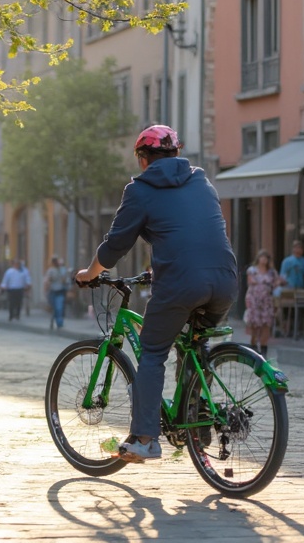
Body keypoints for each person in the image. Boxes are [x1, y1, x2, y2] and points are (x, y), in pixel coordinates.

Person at [74, 125, 237, 463]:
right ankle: (196, 418)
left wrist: (89, 274)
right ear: (177, 154)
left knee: (152, 350)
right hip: (225, 280)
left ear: (143, 159)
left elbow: (115, 246)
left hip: (181, 282)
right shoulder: (201, 181)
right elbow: (187, 231)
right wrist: (155, 269)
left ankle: (146, 439)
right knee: (196, 342)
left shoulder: (140, 190)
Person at [244, 249, 282, 355]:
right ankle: (253, 348)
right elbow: (251, 281)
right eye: (262, 257)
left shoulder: (272, 272)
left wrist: (275, 284)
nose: (264, 260)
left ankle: (264, 351)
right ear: (258, 258)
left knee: (266, 324)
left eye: (266, 258)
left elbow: (277, 281)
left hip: (267, 302)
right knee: (255, 325)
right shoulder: (252, 270)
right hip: (254, 300)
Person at [44, 255, 69, 329]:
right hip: (52, 291)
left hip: (60, 291)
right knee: (54, 308)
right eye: (54, 261)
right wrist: (46, 289)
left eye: (56, 261)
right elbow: (47, 280)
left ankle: (59, 323)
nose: (55, 263)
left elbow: (66, 280)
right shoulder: (51, 270)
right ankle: (53, 320)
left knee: (59, 308)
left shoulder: (62, 270)